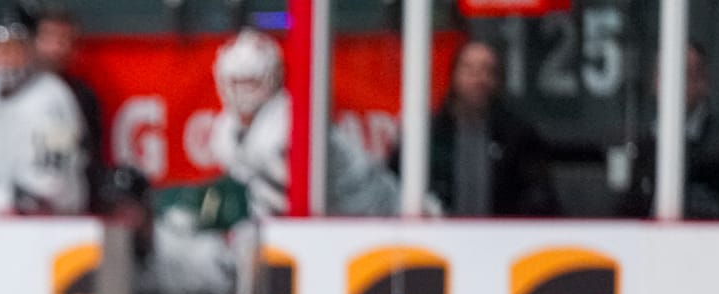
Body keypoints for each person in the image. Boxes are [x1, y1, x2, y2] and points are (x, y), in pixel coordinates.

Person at [208, 28, 395, 218]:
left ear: (274, 78)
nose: (243, 93)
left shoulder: (290, 120)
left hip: (378, 214)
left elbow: (285, 203)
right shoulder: (226, 128)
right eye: (236, 82)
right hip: (334, 223)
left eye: (251, 83)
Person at [106, 166, 236, 294]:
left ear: (145, 205)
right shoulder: (108, 251)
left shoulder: (183, 240)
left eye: (128, 207)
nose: (123, 216)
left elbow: (232, 290)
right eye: (115, 208)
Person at [422, 39, 556, 217]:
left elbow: (540, 197)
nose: (478, 79)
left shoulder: (517, 135)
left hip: (503, 239)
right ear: (454, 76)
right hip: (434, 239)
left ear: (497, 79)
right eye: (469, 70)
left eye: (486, 70)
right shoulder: (428, 133)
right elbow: (396, 187)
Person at [0, 14, 86, 216]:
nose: (2, 58)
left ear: (30, 49)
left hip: (55, 223)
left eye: (11, 49)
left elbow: (52, 182)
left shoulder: (54, 97)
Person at [625, 43, 719, 221]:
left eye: (682, 75)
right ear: (654, 82)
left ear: (703, 83)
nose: (671, 85)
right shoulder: (637, 142)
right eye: (663, 75)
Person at [33, 7, 105, 208]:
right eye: (49, 38)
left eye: (64, 40)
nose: (56, 48)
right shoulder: (10, 91)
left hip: (65, 207)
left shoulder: (80, 97)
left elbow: (88, 160)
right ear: (32, 41)